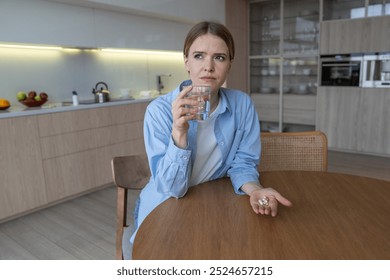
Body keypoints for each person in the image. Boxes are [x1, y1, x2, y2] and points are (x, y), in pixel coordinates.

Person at [130, 21, 292, 246]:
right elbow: (172, 189)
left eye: (219, 57)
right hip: (165, 204)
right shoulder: (159, 111)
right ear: (186, 61)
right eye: (199, 56)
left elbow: (243, 163)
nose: (208, 66)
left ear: (229, 64)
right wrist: (179, 132)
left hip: (212, 201)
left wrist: (255, 189)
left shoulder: (242, 105)